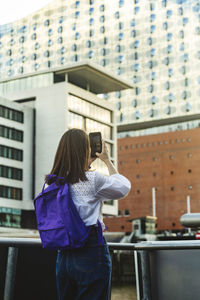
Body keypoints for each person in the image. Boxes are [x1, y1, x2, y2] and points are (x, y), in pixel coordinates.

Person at [45, 128, 131, 300]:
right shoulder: (91, 180)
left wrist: (86, 163)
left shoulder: (51, 183)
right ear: (85, 151)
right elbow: (123, 187)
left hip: (63, 257)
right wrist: (107, 161)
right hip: (90, 253)